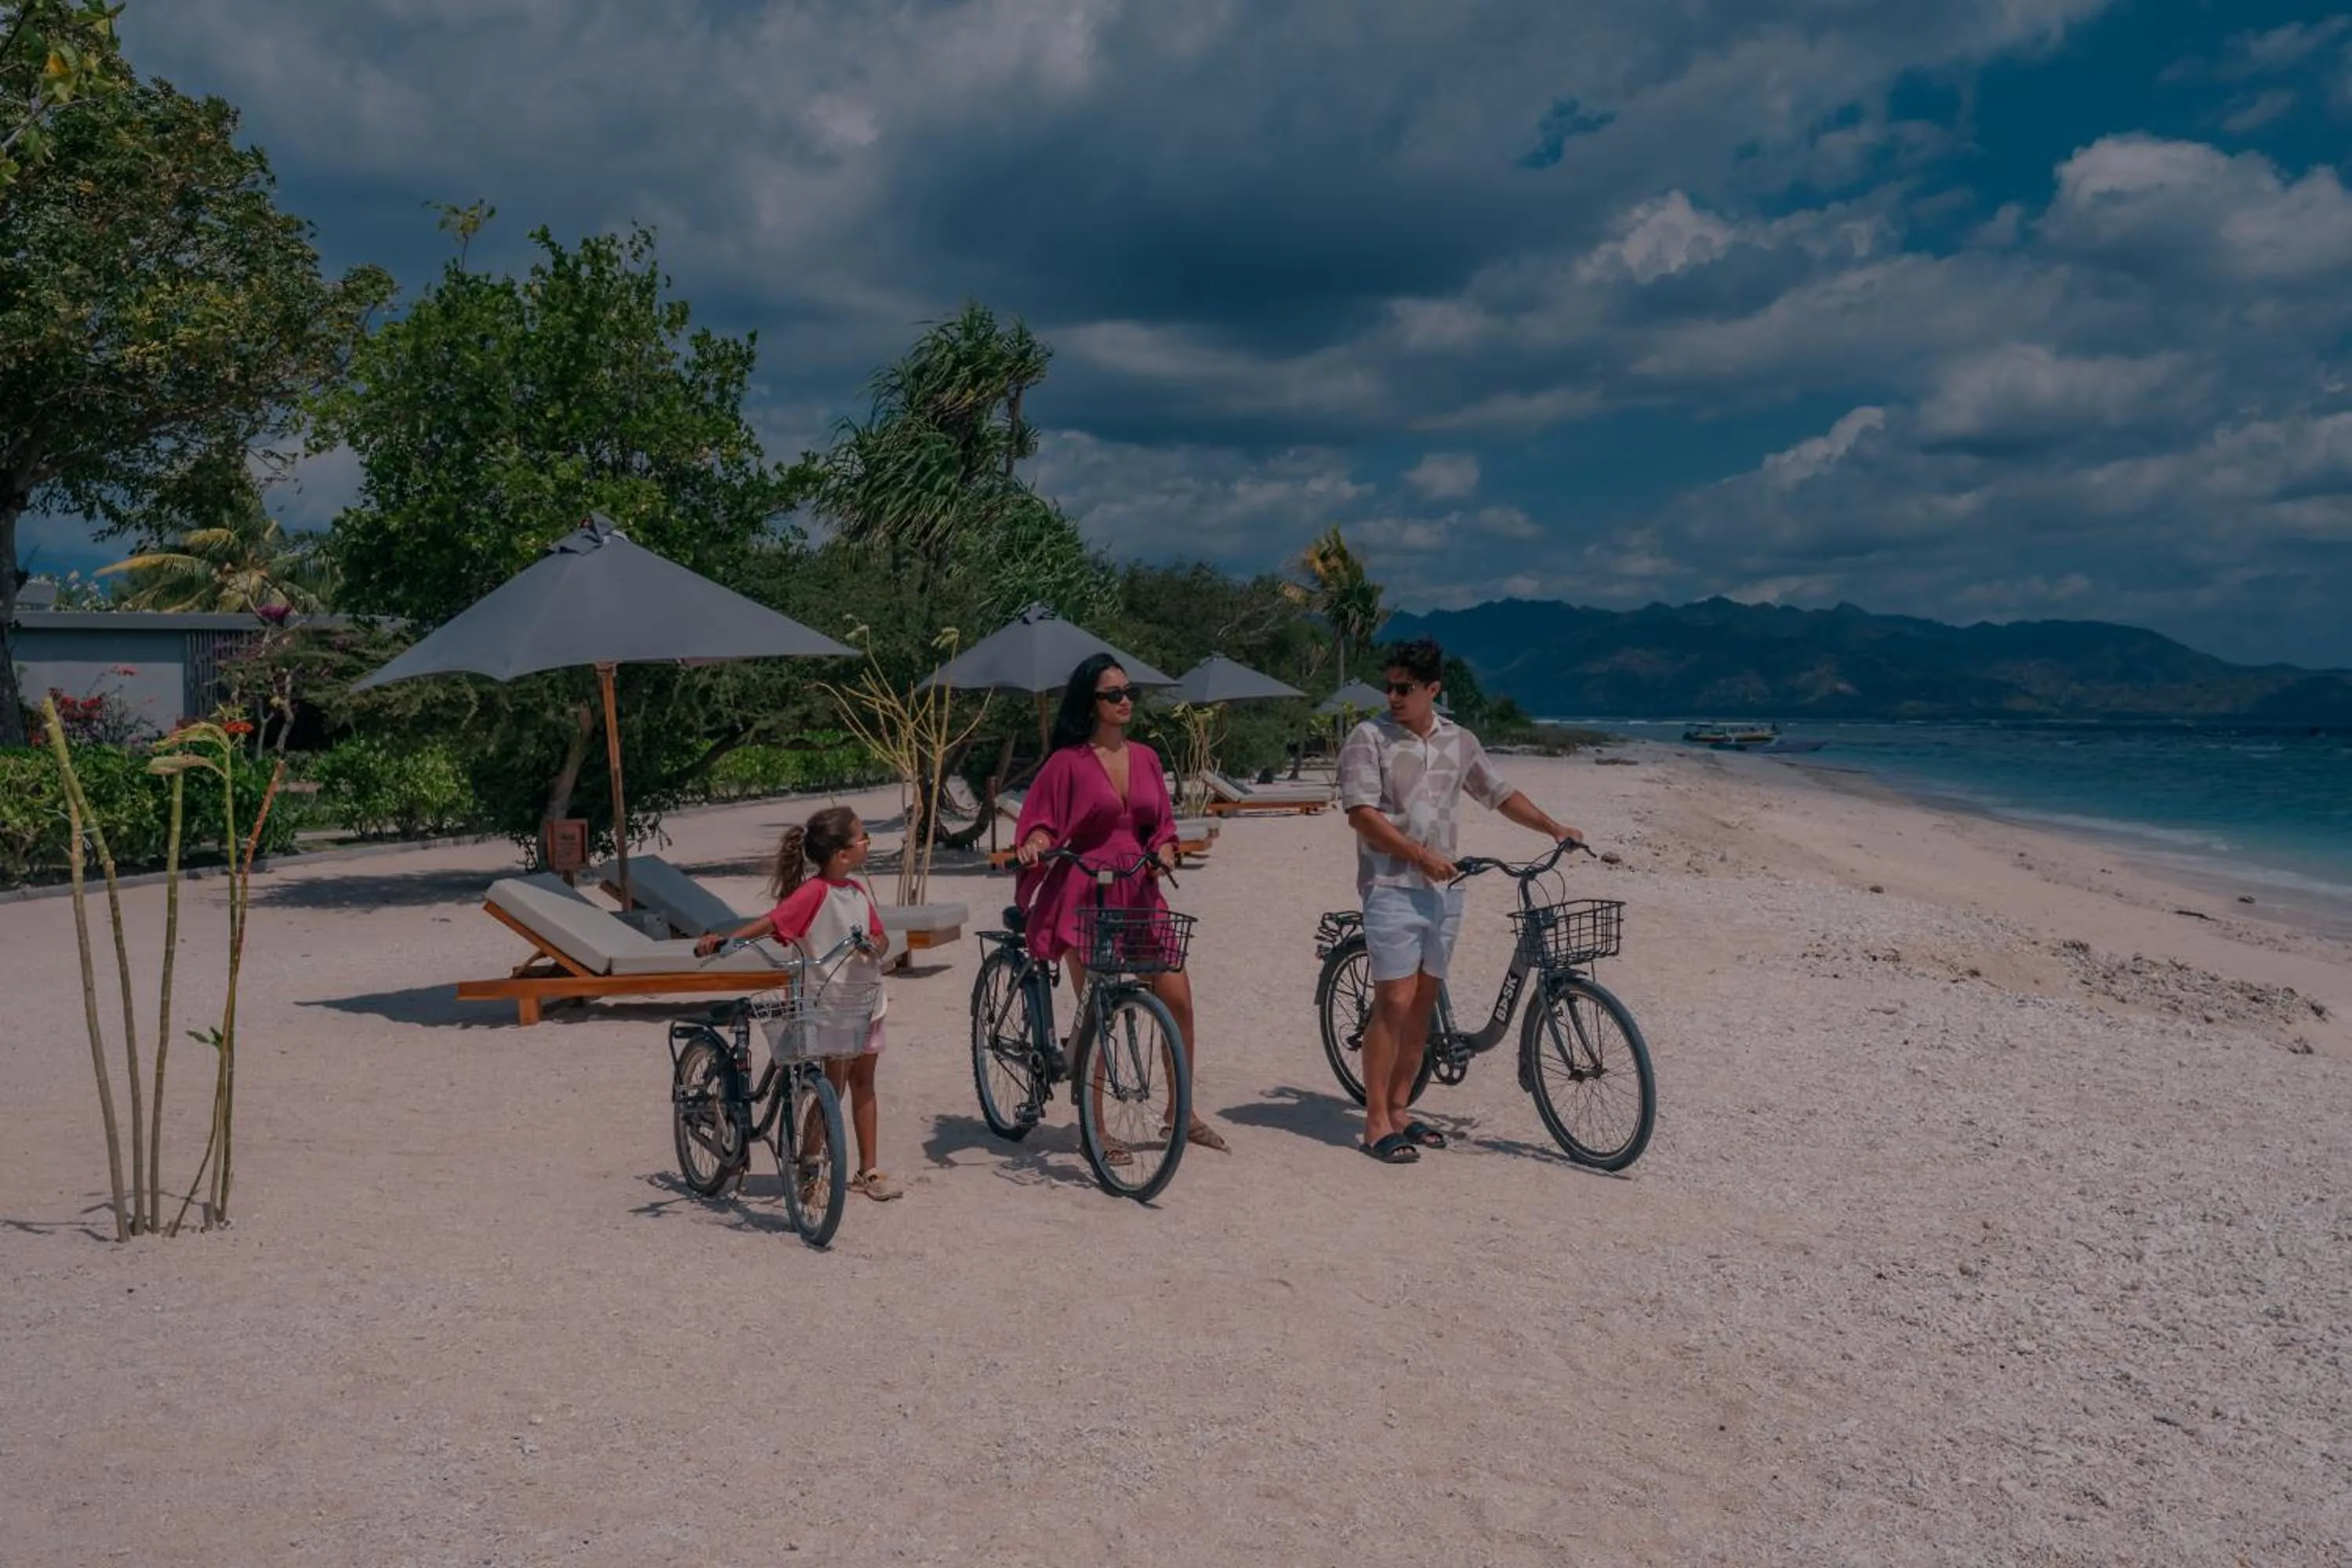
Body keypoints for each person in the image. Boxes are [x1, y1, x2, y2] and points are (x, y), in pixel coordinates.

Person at [1338, 638, 1582, 1165]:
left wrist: (1552, 827)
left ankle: (1401, 1109)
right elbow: (1360, 813)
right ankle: (1375, 1122)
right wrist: (1417, 855)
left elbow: (1497, 793)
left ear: (1433, 690)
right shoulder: (1368, 737)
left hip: (1444, 890)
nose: (1393, 696)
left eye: (1405, 688)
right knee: (1394, 1002)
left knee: (1424, 1002)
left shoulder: (1459, 741)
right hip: (1390, 885)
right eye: (1389, 686)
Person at [1013, 653, 1229, 1155]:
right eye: (1114, 694)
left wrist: (1168, 850)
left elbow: (1163, 826)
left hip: (1138, 886)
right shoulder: (1067, 762)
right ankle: (1096, 1129)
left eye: (1129, 692)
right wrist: (1038, 842)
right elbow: (1042, 821)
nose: (1125, 701)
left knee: (1177, 996)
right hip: (1083, 891)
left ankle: (1183, 1112)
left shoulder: (1148, 757)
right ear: (1091, 702)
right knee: (1099, 1010)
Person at [697, 806, 902, 1202]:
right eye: (864, 839)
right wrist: (729, 940)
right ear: (842, 854)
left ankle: (869, 1170)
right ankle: (810, 1163)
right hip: (828, 1008)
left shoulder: (857, 892)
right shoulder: (814, 893)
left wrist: (874, 945)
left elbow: (880, 936)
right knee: (834, 1087)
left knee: (865, 1084)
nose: (867, 845)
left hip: (866, 1003)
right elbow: (775, 921)